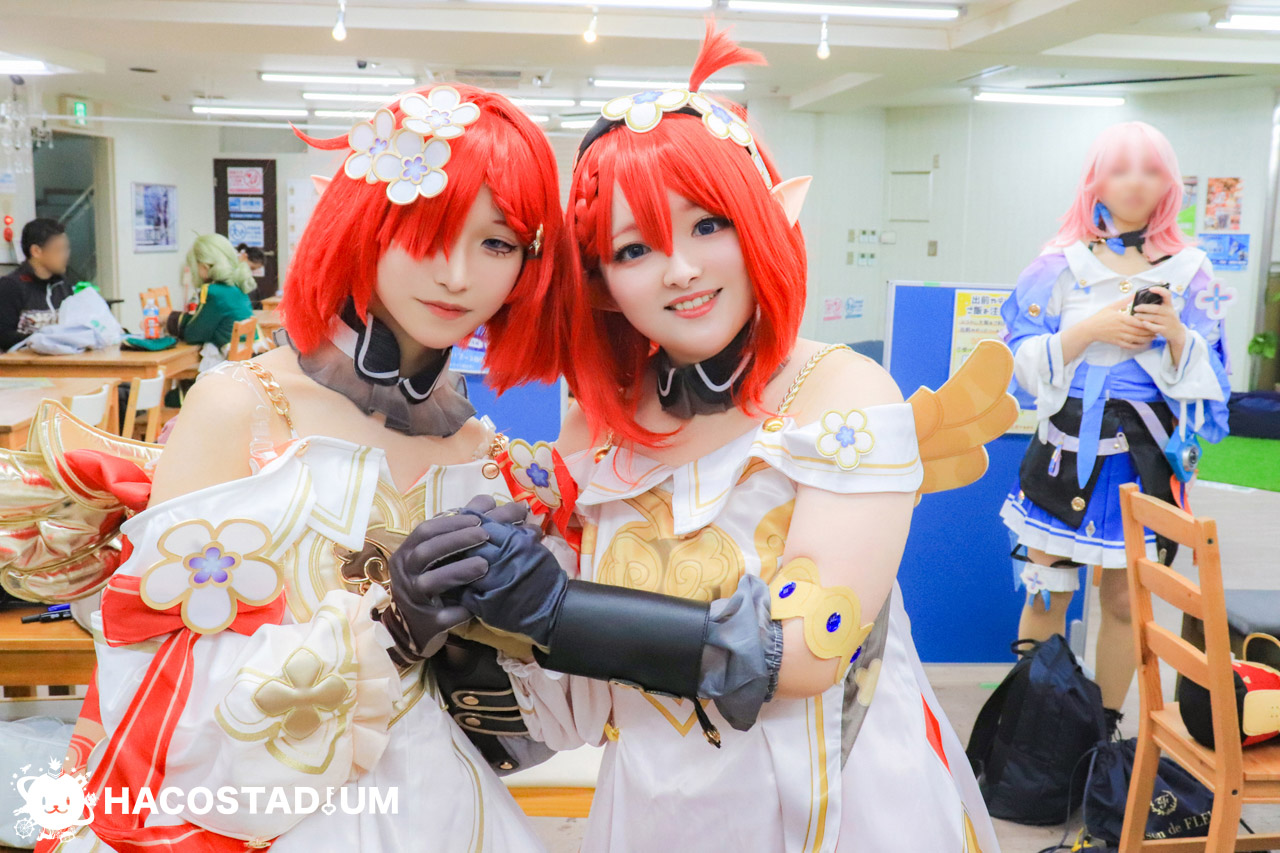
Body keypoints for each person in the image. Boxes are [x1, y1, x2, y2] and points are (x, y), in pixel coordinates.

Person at [401, 25, 1004, 851]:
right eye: (635, 248)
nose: (679, 268)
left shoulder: (841, 391)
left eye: (708, 225)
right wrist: (461, 605)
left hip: (834, 803)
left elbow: (809, 650)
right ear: (602, 283)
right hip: (657, 805)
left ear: (761, 223)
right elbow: (571, 701)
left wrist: (558, 608)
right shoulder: (597, 421)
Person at [35, 81, 568, 852]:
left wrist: (496, 638)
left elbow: (518, 726)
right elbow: (150, 681)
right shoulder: (239, 406)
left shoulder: (485, 456)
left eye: (497, 243)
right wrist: (385, 631)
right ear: (365, 223)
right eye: (426, 230)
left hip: (450, 809)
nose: (457, 274)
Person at [998, 121, 1231, 738]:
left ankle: (1101, 735)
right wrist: (1089, 331)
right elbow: (1017, 355)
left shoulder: (1191, 270)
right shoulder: (1059, 265)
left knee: (1128, 601)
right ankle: (1033, 731)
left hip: (1143, 454)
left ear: (1169, 183)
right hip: (1066, 445)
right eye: (1121, 169)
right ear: (1096, 180)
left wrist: (1176, 333)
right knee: (1046, 589)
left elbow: (1215, 375)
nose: (1136, 183)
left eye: (1151, 170)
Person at [167, 233, 256, 352]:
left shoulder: (213, 292)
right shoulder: (236, 286)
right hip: (249, 354)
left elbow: (194, 334)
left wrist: (171, 321)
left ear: (204, 266)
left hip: (228, 359)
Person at [0, 218, 72, 350]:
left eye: (66, 249)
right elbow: (3, 336)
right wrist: (44, 340)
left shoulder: (62, 285)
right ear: (36, 251)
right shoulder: (10, 287)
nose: (65, 255)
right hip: (21, 361)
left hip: (62, 360)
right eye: (59, 249)